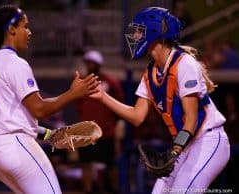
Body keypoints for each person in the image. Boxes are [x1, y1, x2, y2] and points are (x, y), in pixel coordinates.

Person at [91, 7, 230, 193]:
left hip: (208, 140)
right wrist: (103, 96)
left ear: (155, 31)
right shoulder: (150, 72)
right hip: (185, 145)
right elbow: (137, 116)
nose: (136, 35)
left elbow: (191, 119)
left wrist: (175, 150)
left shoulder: (184, 63)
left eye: (141, 30)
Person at [0, 5, 99, 194]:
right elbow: (39, 109)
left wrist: (49, 135)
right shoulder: (14, 62)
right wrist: (73, 93)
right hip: (15, 146)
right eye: (25, 26)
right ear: (11, 29)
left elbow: (14, 116)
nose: (29, 32)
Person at [76, 50, 124, 193]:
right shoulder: (82, 83)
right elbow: (77, 104)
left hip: (106, 132)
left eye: (92, 62)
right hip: (86, 132)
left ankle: (115, 191)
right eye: (87, 62)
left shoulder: (111, 82)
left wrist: (113, 125)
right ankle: (88, 191)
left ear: (98, 64)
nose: (89, 65)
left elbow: (120, 103)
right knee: (85, 163)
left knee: (110, 164)